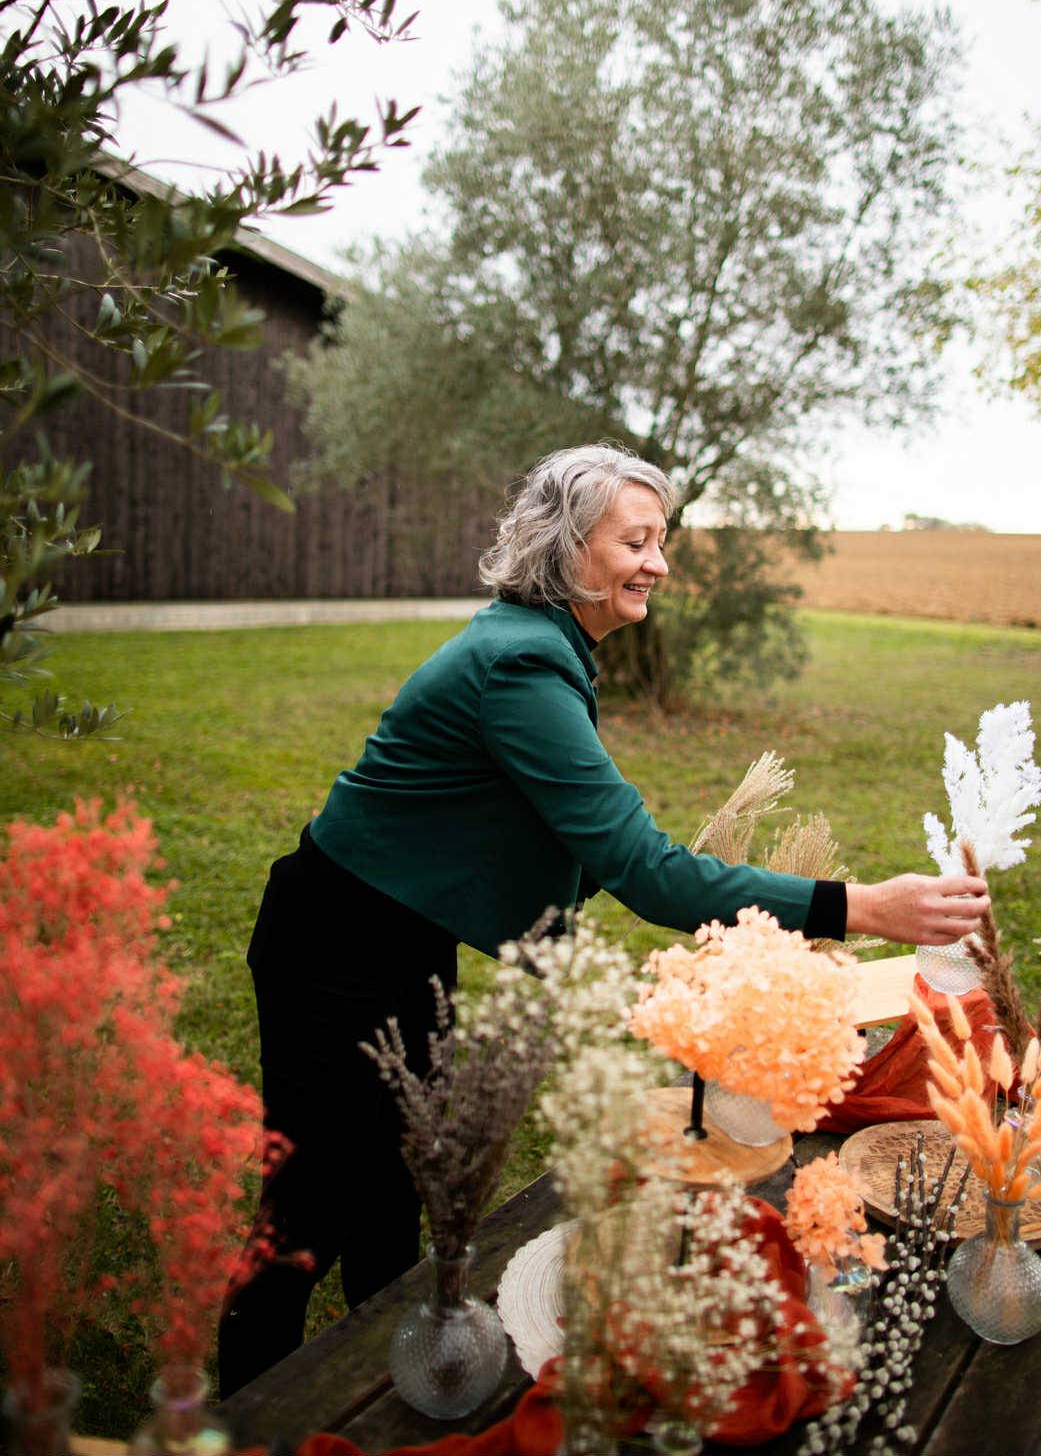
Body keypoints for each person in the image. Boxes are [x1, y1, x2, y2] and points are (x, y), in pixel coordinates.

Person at [217, 444, 989, 1396]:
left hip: (400, 939)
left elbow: (569, 834)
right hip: (330, 948)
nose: (657, 563)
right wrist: (861, 907)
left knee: (395, 1192)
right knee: (310, 1211)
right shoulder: (521, 666)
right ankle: (249, 1409)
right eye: (636, 540)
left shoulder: (540, 645)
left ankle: (398, 1386)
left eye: (660, 541)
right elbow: (646, 872)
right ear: (564, 545)